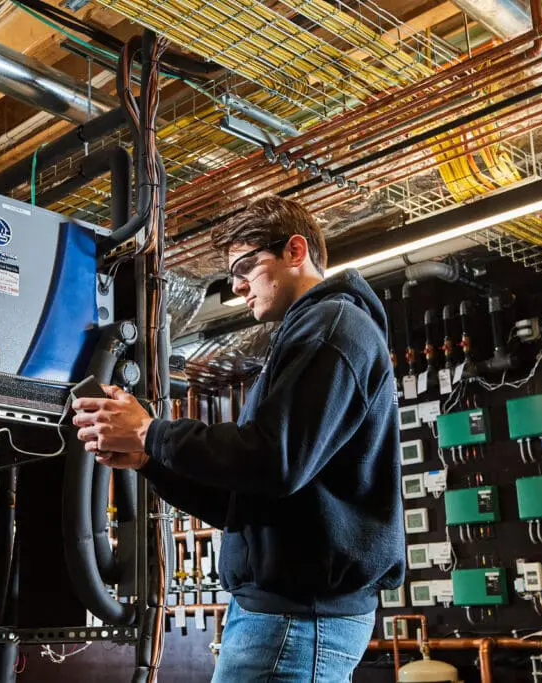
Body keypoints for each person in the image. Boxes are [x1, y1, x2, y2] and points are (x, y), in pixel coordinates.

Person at [72, 195, 404, 682]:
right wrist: (148, 458)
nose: (237, 285)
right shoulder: (311, 333)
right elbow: (246, 498)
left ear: (295, 251)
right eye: (232, 275)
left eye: (247, 266)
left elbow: (274, 460)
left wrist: (151, 429)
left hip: (297, 618)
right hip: (284, 615)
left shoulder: (331, 328)